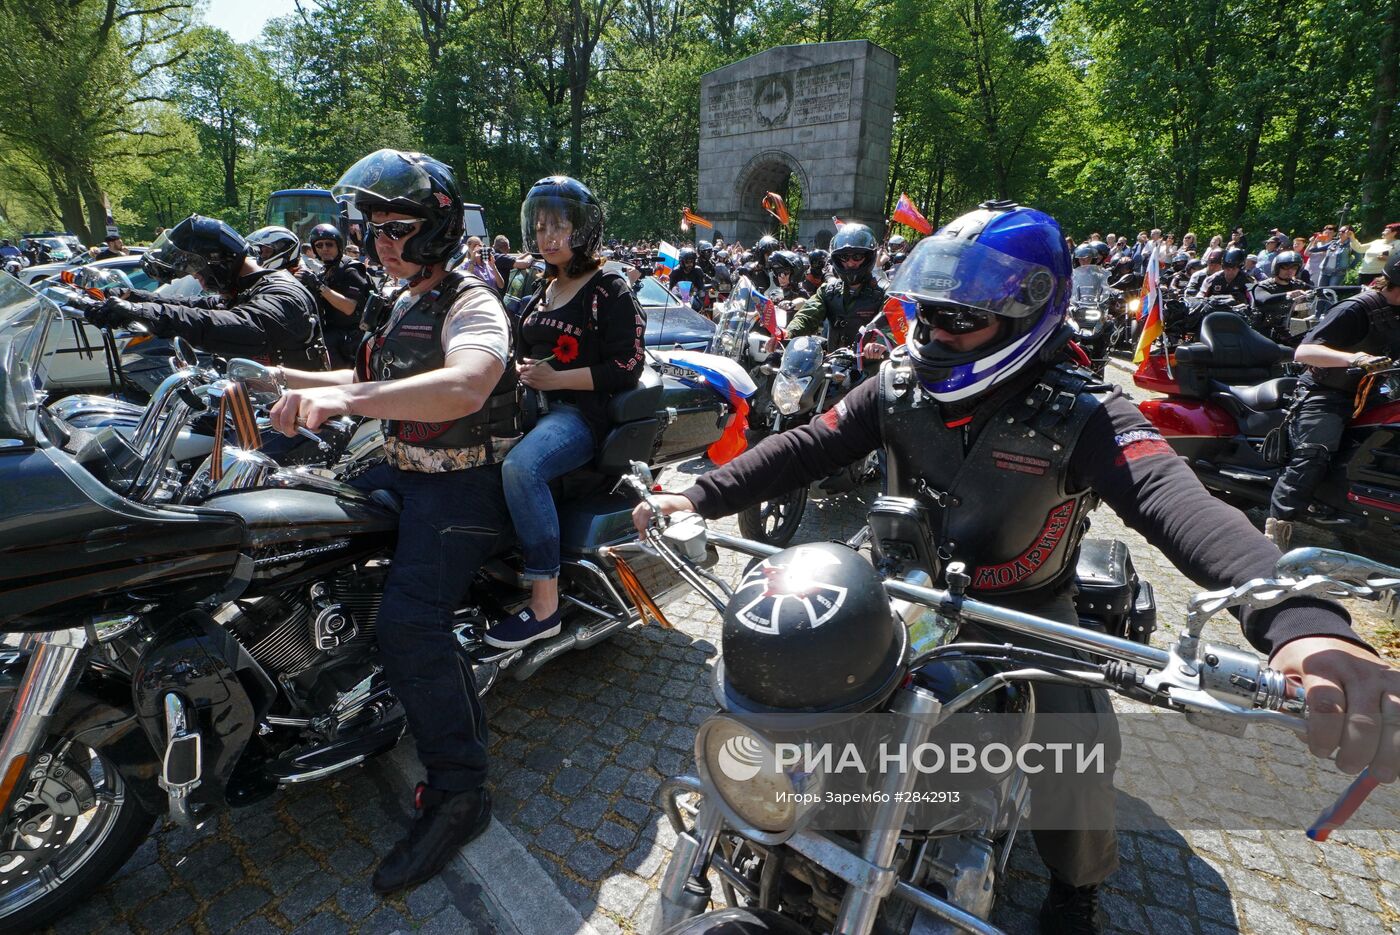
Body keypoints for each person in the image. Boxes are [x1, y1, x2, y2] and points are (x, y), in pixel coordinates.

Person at [635, 202, 1400, 935]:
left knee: (1076, 745)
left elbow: (1177, 501)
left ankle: (1079, 887)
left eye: (959, 317)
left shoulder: (1085, 413)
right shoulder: (898, 385)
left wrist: (1303, 624)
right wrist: (698, 495)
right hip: (899, 590)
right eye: (928, 311)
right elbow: (809, 443)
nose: (933, 331)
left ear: (1027, 314)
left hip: (1028, 612)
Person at [269, 149, 518, 894]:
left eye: (398, 226)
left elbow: (467, 382)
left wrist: (346, 403)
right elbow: (369, 378)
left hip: (464, 487)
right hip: (400, 468)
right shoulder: (401, 295)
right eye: (373, 225)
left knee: (411, 624)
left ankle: (461, 790)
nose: (382, 239)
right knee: (291, 511)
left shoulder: (473, 300)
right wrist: (276, 379)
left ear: (437, 228)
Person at [482, 176, 645, 651]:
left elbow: (627, 365)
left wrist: (556, 379)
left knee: (522, 467)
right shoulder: (541, 285)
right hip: (525, 405)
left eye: (557, 227)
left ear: (583, 230)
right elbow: (515, 344)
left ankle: (545, 606)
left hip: (579, 416)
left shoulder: (608, 287)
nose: (545, 237)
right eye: (539, 227)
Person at [1266, 253, 1400, 548]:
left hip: (1372, 395)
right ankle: (1276, 533)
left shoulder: (1396, 312)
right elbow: (1304, 351)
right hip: (1326, 393)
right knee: (1314, 455)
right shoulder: (1357, 309)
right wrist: (1354, 357)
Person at [82, 215, 328, 370]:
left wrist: (143, 313)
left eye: (196, 269)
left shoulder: (281, 292)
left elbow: (240, 324)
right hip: (268, 406)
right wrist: (134, 298)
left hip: (301, 419)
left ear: (217, 262)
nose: (194, 277)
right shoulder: (245, 289)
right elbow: (197, 306)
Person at [781, 223, 889, 361]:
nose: (850, 263)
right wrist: (787, 333)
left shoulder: (884, 292)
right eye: (844, 257)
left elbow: (892, 326)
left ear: (868, 257)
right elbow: (807, 315)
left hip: (870, 370)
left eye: (857, 256)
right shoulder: (828, 290)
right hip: (831, 369)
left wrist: (880, 344)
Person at [302, 223, 372, 368]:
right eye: (319, 245)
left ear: (338, 246)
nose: (324, 249)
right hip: (333, 336)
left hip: (351, 339)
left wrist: (319, 286)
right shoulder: (325, 271)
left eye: (329, 244)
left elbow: (349, 308)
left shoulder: (351, 269)